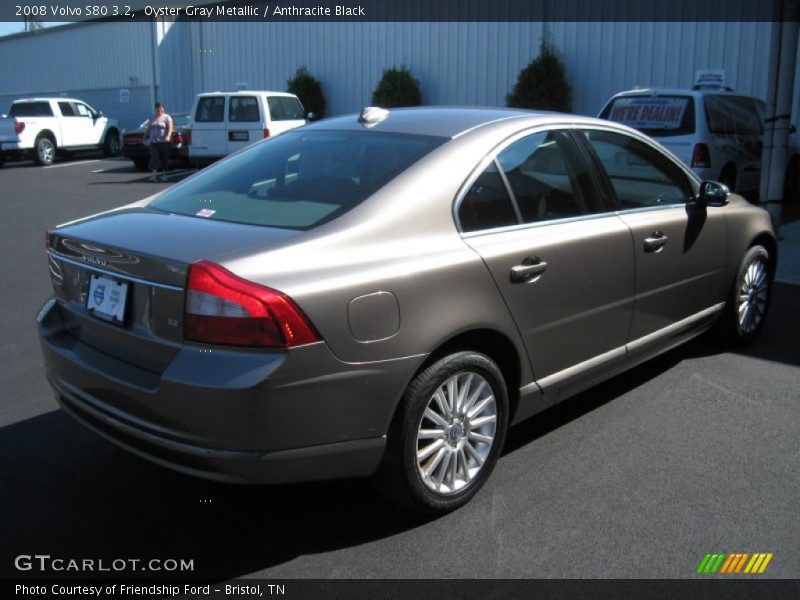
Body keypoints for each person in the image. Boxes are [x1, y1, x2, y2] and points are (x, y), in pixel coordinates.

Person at [143, 102, 173, 182]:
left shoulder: (167, 118)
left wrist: (168, 136)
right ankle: (154, 176)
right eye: (158, 110)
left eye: (161, 110)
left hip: (163, 142)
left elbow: (170, 128)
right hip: (153, 142)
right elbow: (149, 128)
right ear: (155, 109)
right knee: (154, 158)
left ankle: (164, 175)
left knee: (163, 158)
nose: (159, 111)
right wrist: (145, 136)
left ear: (163, 109)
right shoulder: (152, 117)